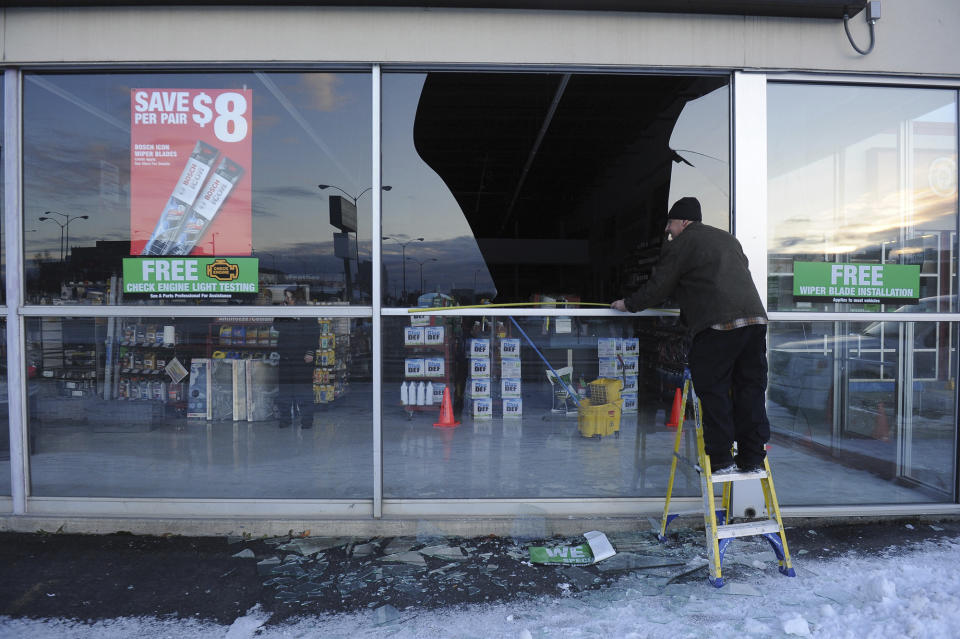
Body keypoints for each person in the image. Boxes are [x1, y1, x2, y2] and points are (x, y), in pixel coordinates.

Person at [611, 197, 769, 474]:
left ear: (683, 221)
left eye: (670, 223)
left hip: (719, 326)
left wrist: (629, 304)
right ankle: (752, 458)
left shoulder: (683, 243)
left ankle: (721, 461)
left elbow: (660, 285)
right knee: (750, 390)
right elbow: (720, 279)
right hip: (755, 321)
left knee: (714, 390)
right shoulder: (727, 239)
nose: (667, 230)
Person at [275, 287, 319, 428]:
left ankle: (307, 420)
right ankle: (285, 419)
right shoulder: (285, 312)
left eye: (289, 298)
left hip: (302, 357)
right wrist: (281, 313)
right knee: (285, 390)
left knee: (304, 389)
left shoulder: (307, 313)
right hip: (286, 356)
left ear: (298, 299)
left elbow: (314, 333)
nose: (287, 300)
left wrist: (310, 352)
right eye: (286, 298)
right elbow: (276, 326)